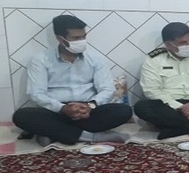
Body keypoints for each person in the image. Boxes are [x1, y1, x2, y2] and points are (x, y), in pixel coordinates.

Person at [12, 15, 132, 146]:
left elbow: (107, 89)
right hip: (56, 110)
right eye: (76, 38)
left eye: (83, 37)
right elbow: (37, 93)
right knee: (21, 116)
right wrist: (62, 108)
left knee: (124, 111)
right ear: (60, 39)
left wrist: (90, 106)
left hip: (88, 110)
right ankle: (93, 137)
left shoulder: (96, 59)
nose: (82, 41)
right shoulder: (40, 60)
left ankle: (54, 133)